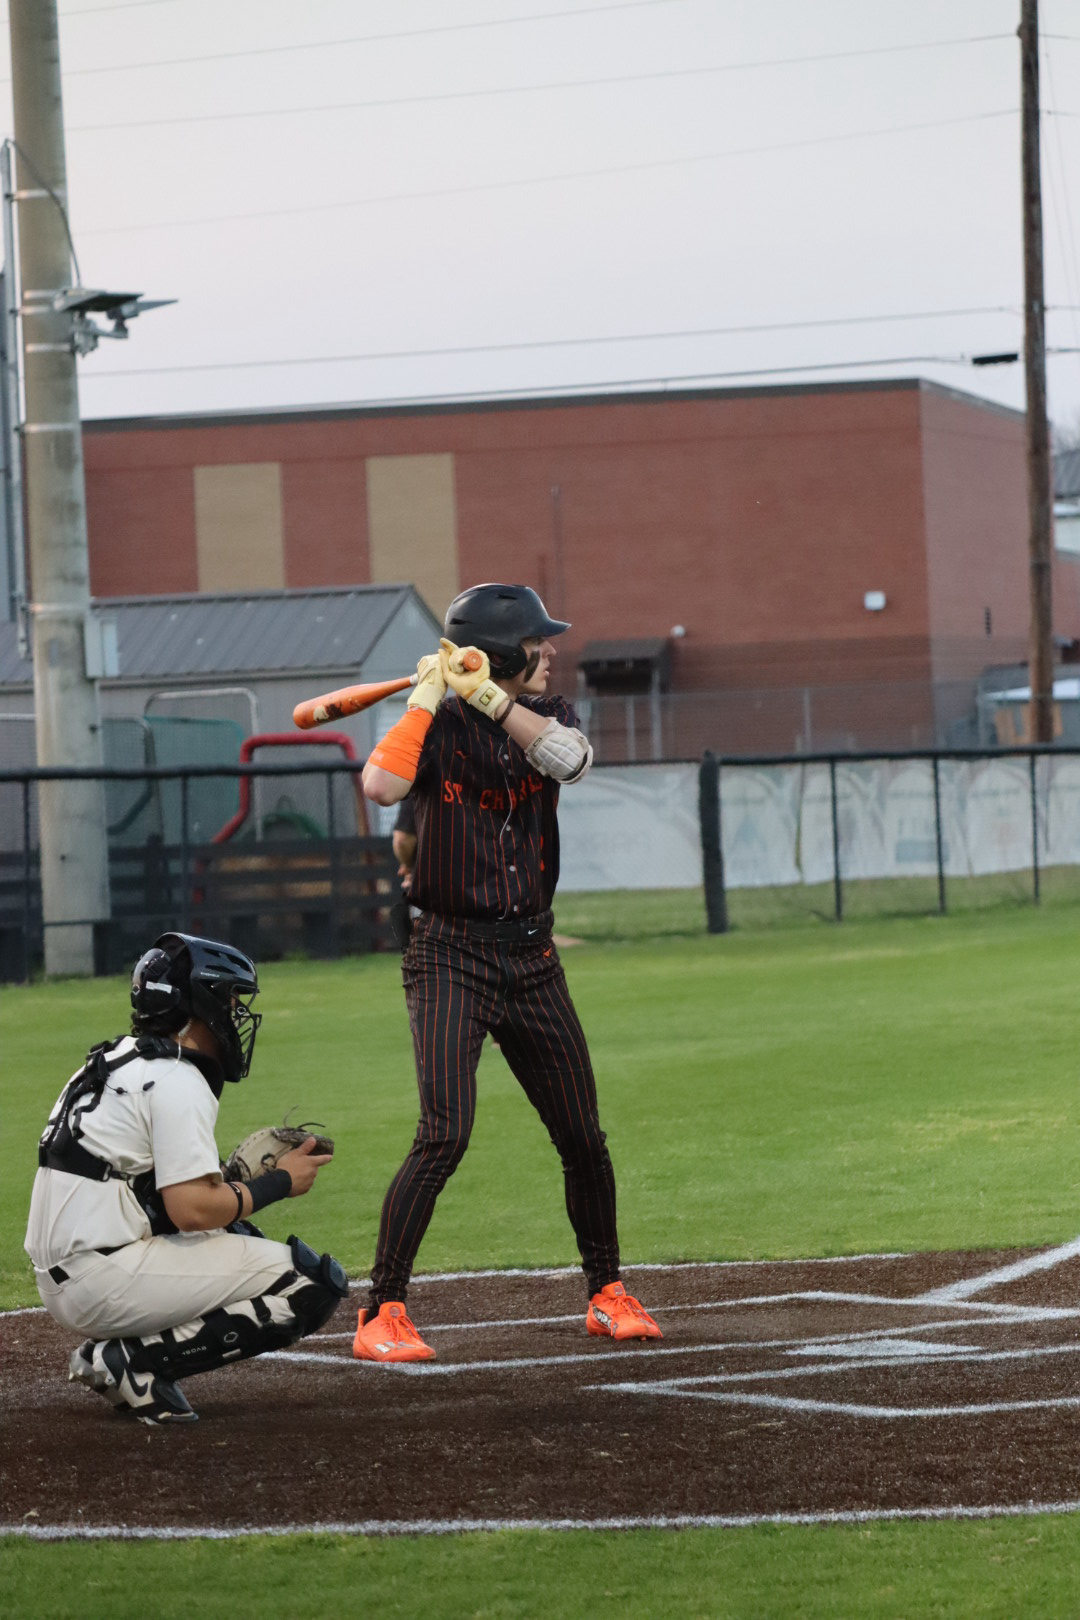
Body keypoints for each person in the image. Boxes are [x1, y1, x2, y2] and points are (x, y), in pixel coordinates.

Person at [355, 581, 662, 1361]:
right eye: (535, 641)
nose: (550, 650)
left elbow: (573, 762)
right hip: (448, 954)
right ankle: (381, 1311)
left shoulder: (547, 715)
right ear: (498, 651)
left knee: (582, 1137)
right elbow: (381, 786)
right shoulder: (433, 723)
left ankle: (607, 1292)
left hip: (531, 956)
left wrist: (489, 696)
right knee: (444, 1134)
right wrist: (427, 695)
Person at [25, 931, 348, 1425]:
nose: (236, 1014)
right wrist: (280, 1182)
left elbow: (145, 1188)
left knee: (235, 1229)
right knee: (310, 1283)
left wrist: (229, 1181)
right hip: (101, 1279)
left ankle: (119, 1350)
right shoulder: (177, 1077)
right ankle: (133, 1361)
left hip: (70, 1273)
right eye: (231, 1000)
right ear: (202, 1005)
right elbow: (191, 1210)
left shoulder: (116, 1059)